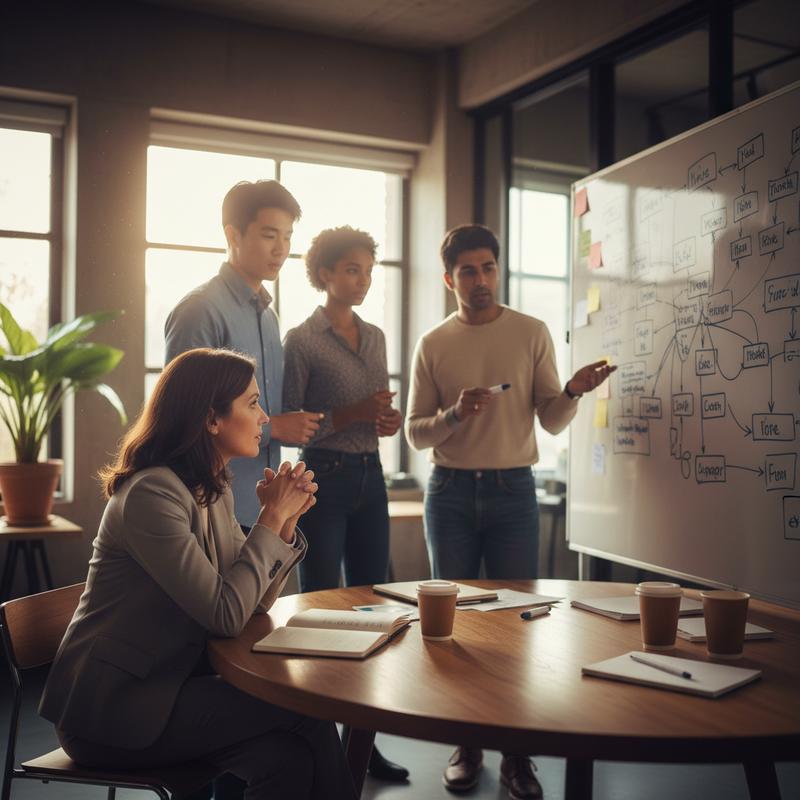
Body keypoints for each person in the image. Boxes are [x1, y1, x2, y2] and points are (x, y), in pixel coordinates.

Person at [39, 348, 357, 800]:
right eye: (251, 403)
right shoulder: (152, 494)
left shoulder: (211, 486)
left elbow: (251, 603)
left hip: (172, 690)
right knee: (306, 707)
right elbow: (224, 615)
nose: (264, 416)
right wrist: (267, 521)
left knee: (290, 758)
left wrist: (283, 523)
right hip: (114, 711)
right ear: (212, 419)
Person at [405, 224, 614, 800]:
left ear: (498, 270)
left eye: (488, 267)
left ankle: (517, 754)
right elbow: (415, 435)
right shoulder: (434, 343)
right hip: (448, 494)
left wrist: (571, 391)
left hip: (513, 493)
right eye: (468, 270)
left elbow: (550, 419)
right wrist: (453, 414)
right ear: (449, 278)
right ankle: (465, 743)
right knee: (457, 627)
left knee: (516, 625)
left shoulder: (531, 332)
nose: (480, 279)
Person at [282, 226, 408, 783]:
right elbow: (290, 426)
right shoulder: (301, 340)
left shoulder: (376, 336)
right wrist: (351, 415)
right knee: (323, 610)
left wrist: (386, 420)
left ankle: (363, 739)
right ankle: (317, 740)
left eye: (368, 269)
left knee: (373, 607)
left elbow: (375, 414)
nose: (362, 279)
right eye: (352, 269)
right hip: (324, 480)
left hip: (369, 478)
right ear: (325, 273)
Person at [165, 179, 323, 529]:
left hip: (263, 508)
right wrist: (276, 427)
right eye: (269, 235)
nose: (281, 249)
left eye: (288, 236)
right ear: (233, 235)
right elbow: (186, 417)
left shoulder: (269, 316)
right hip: (212, 507)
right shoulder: (200, 310)